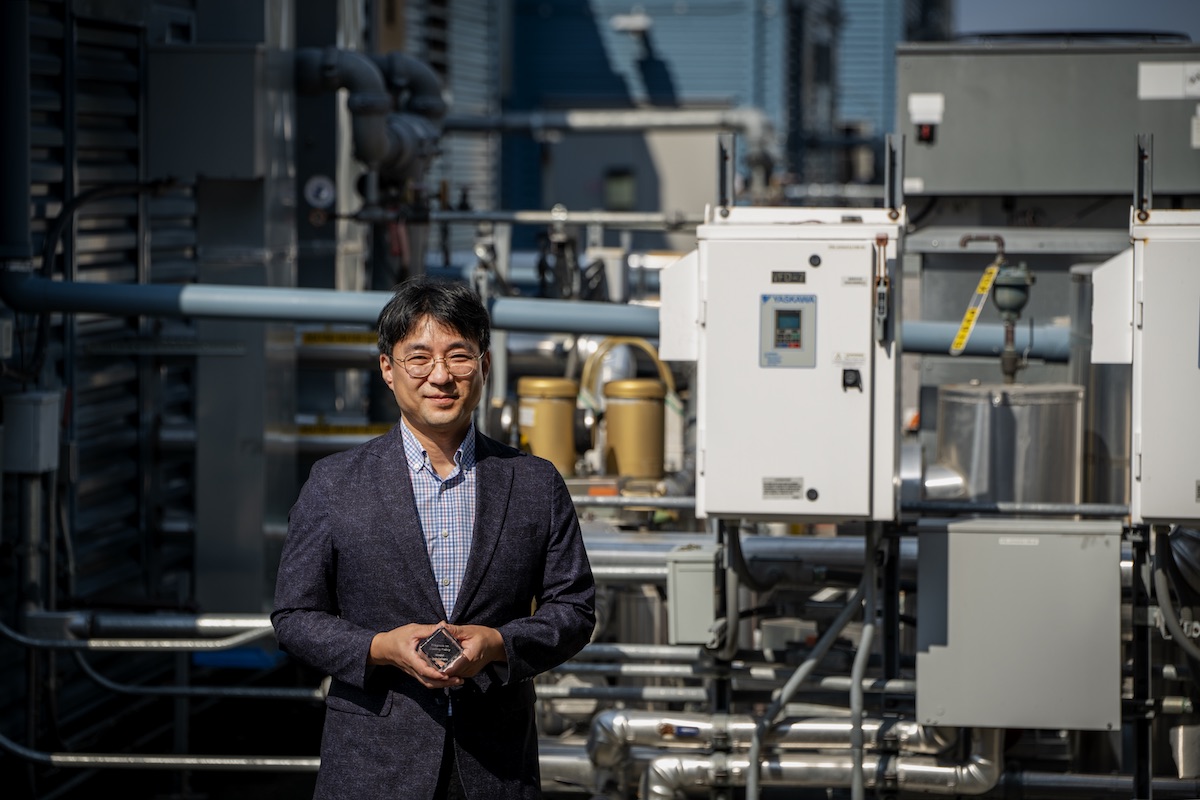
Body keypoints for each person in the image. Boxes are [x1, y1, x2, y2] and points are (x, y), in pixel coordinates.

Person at [272, 276, 596, 800]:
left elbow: (574, 609)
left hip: (496, 767)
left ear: (484, 366)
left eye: (459, 356)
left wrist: (498, 644)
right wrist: (381, 648)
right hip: (373, 767)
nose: (440, 376)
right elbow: (294, 617)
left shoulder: (534, 482)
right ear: (387, 368)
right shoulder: (334, 483)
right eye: (418, 358)